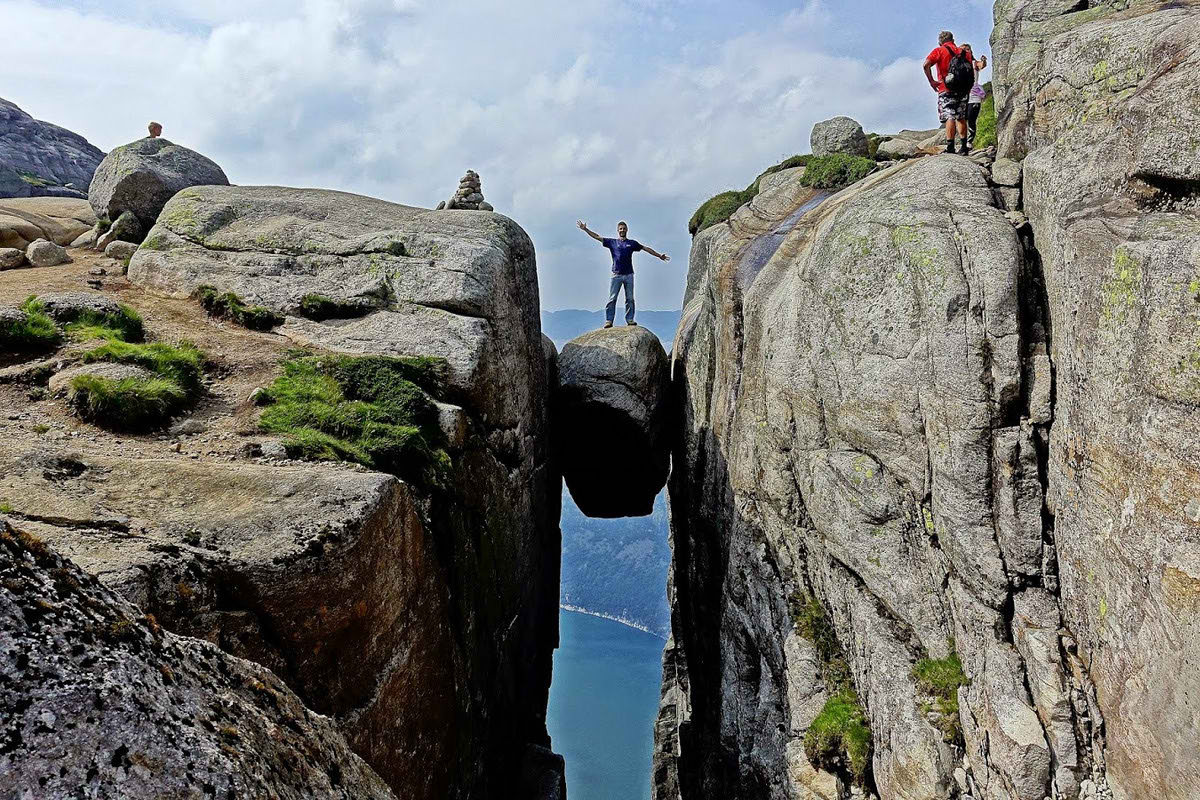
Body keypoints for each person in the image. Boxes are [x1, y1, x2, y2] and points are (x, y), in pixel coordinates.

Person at [576, 220, 670, 328]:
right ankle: (609, 320)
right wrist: (585, 229)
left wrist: (659, 256)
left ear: (627, 230)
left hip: (629, 275)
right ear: (618, 230)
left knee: (630, 298)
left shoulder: (632, 243)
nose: (622, 230)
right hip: (616, 274)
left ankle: (630, 319)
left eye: (624, 228)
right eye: (620, 229)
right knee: (612, 299)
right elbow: (597, 237)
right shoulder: (612, 242)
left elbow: (645, 248)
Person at [923, 31, 970, 155]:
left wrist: (932, 81)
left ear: (940, 42)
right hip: (963, 90)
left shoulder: (939, 50)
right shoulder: (965, 53)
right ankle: (964, 147)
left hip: (946, 88)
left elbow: (926, 64)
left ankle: (950, 147)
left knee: (950, 116)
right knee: (961, 117)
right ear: (953, 40)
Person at [961, 44, 989, 147]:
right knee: (962, 119)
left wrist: (984, 60)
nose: (966, 52)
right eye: (963, 50)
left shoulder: (974, 63)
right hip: (962, 96)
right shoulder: (958, 64)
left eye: (968, 50)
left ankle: (969, 141)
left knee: (971, 119)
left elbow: (982, 65)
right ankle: (963, 141)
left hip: (974, 95)